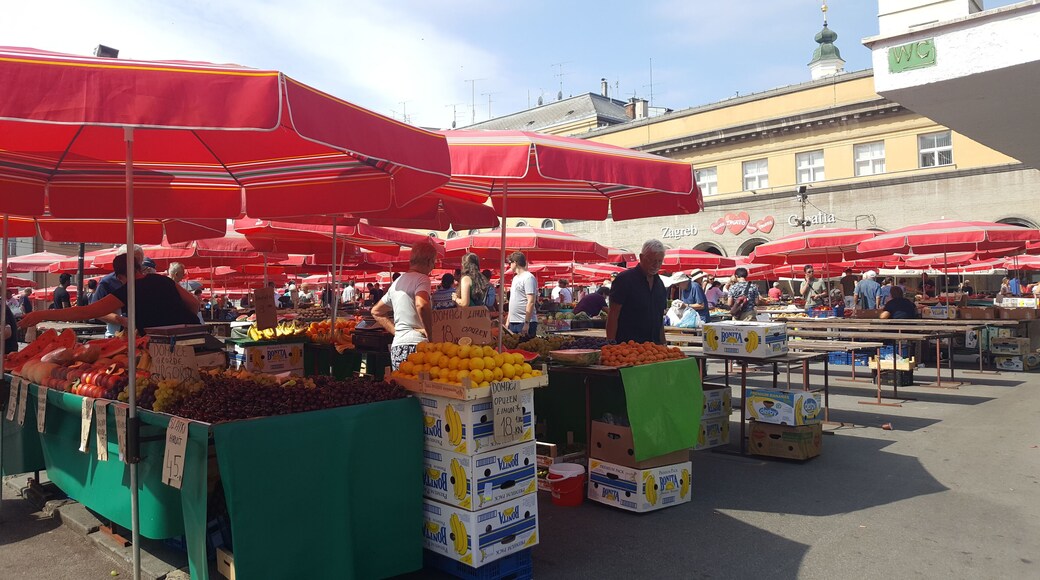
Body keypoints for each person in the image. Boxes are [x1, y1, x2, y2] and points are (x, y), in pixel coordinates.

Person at [20, 253, 200, 333]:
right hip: (194, 334)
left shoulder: (127, 290)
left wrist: (42, 314)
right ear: (139, 267)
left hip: (164, 348)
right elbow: (194, 304)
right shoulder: (165, 280)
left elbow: (85, 312)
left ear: (119, 275)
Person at [370, 241, 437, 370]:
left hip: (398, 346)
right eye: (434, 262)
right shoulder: (422, 279)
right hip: (417, 346)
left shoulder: (397, 283)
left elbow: (376, 311)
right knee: (418, 388)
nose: (433, 266)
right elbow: (421, 304)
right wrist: (430, 334)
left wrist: (397, 332)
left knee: (401, 387)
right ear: (429, 261)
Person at [607, 239, 668, 344]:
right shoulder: (624, 279)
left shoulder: (660, 284)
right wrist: (611, 343)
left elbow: (659, 319)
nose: (656, 265)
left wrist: (663, 343)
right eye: (652, 260)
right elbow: (613, 314)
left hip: (654, 348)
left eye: (659, 261)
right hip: (628, 347)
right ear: (641, 257)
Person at [92, 245, 145, 337]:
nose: (136, 265)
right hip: (116, 333)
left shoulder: (146, 281)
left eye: (138, 261)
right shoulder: (107, 282)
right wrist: (121, 320)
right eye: (132, 260)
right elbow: (95, 312)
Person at [507, 251, 538, 338]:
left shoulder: (528, 278)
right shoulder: (515, 278)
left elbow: (531, 301)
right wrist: (508, 321)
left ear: (515, 263)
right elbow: (513, 300)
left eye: (510, 263)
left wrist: (526, 323)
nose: (509, 265)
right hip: (514, 321)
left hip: (524, 321)